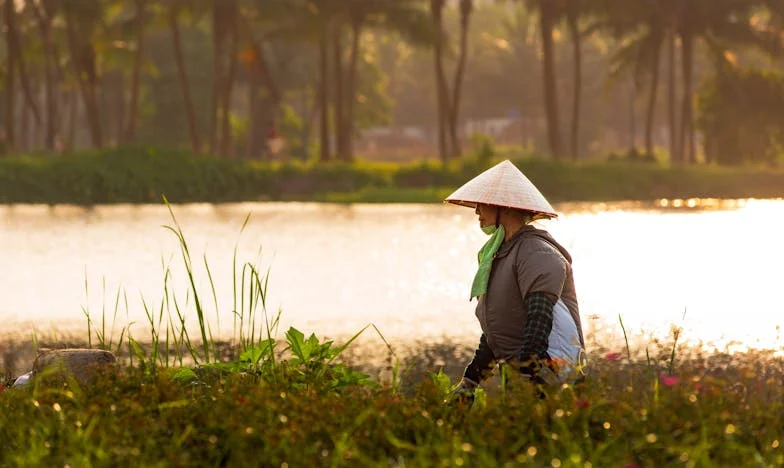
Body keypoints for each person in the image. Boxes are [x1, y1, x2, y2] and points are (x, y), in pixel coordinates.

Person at [444, 160, 586, 404]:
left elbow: (538, 321)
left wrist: (528, 378)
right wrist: (470, 382)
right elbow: (498, 331)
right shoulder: (499, 255)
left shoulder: (537, 253)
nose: (477, 210)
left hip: (549, 378)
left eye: (483, 203)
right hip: (519, 376)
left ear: (507, 208)